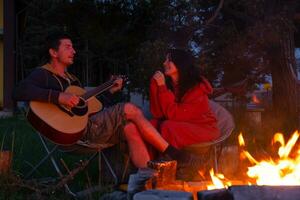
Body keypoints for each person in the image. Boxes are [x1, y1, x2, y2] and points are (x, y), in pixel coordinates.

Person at [12, 32, 194, 169]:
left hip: (90, 128)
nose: (74, 51)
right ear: (53, 52)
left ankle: (147, 178)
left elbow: (87, 109)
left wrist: (110, 91)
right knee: (129, 108)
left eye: (73, 47)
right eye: (68, 46)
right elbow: (19, 90)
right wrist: (60, 96)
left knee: (130, 128)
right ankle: (171, 152)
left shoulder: (73, 80)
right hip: (74, 137)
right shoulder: (43, 74)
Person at [149, 49, 220, 149]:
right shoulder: (172, 85)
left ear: (180, 64)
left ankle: (171, 160)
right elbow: (158, 114)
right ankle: (147, 162)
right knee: (152, 125)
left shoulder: (196, 88)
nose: (164, 63)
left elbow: (175, 115)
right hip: (185, 124)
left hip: (204, 128)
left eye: (169, 60)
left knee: (168, 126)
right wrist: (155, 85)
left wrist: (162, 87)